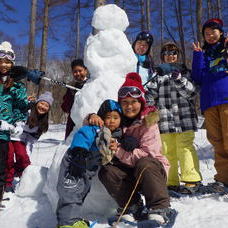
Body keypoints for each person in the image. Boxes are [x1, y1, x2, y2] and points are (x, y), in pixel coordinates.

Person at [88, 73, 176, 226]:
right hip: (128, 171)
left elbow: (149, 154)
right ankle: (132, 206)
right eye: (125, 102)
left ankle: (160, 207)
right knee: (107, 171)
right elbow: (103, 120)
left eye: (134, 101)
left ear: (141, 102)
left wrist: (119, 150)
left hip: (151, 172)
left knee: (145, 163)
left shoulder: (149, 122)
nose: (129, 106)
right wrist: (92, 116)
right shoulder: (118, 120)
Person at [56, 99, 124, 228]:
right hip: (76, 161)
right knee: (71, 192)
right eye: (108, 117)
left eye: (116, 117)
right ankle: (68, 223)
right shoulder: (96, 128)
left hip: (88, 169)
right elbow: (83, 135)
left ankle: (69, 219)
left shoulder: (115, 136)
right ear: (101, 118)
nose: (112, 121)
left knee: (81, 192)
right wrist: (79, 152)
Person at [146, 42, 202, 194]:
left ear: (178, 56)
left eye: (173, 53)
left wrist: (178, 78)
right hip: (164, 121)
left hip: (185, 119)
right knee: (166, 151)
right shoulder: (157, 75)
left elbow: (191, 93)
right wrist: (150, 109)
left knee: (185, 148)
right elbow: (149, 94)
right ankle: (170, 182)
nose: (170, 56)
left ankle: (191, 179)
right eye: (167, 53)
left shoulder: (185, 73)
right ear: (162, 57)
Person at [192, 18, 228, 191]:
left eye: (213, 32)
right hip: (209, 102)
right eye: (207, 33)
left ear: (220, 32)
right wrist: (198, 55)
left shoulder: (226, 48)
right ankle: (223, 178)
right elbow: (197, 77)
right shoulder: (203, 54)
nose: (210, 35)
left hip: (226, 97)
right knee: (217, 141)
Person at [0, 41, 28, 203]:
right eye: (1, 61)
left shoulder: (17, 85)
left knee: (2, 165)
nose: (4, 64)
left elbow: (21, 107)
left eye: (7, 62)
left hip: (4, 132)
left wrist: (17, 123)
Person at [61, 59, 89, 139]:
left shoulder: (91, 84)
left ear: (85, 70)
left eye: (80, 70)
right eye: (75, 72)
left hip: (88, 122)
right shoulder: (71, 87)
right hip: (72, 124)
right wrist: (70, 96)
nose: (78, 73)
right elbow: (65, 108)